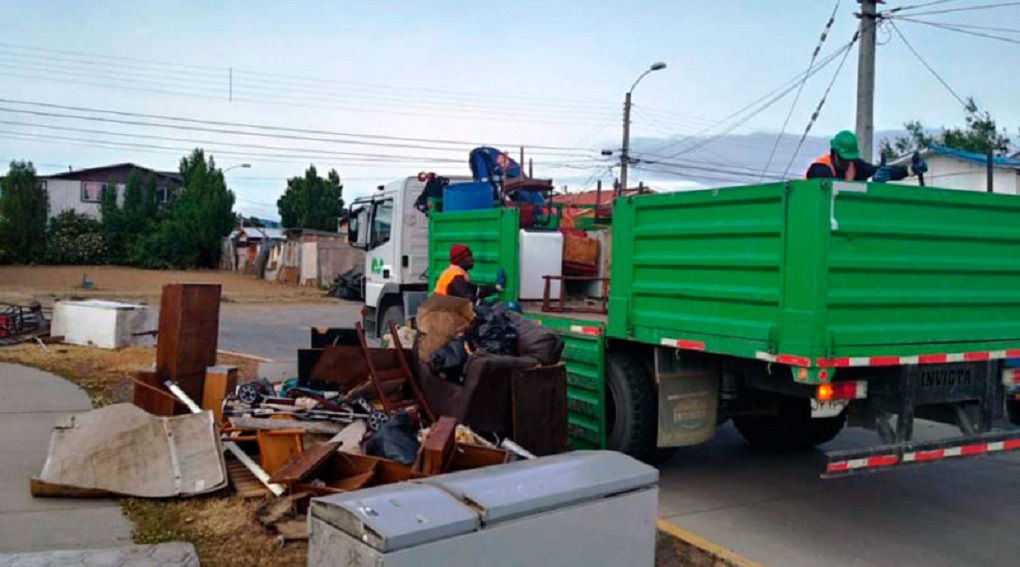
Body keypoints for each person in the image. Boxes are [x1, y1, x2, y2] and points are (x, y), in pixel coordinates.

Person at [806, 130, 923, 183]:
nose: (846, 163)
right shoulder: (819, 169)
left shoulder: (854, 165)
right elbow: (832, 187)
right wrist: (871, 181)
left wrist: (909, 170)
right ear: (834, 153)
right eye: (843, 159)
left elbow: (878, 171)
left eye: (849, 159)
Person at [434, 244, 506, 301]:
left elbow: (476, 290)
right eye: (468, 256)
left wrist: (496, 288)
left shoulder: (452, 274)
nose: (471, 259)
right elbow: (469, 300)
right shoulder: (456, 279)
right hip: (446, 317)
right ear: (460, 260)